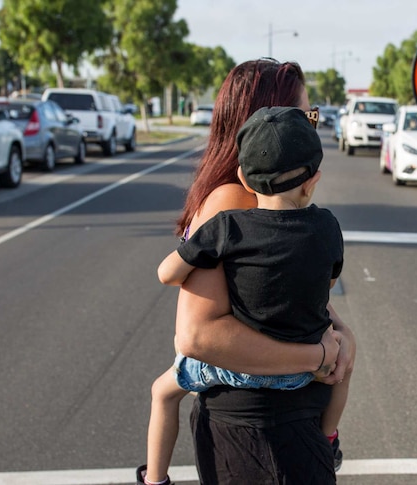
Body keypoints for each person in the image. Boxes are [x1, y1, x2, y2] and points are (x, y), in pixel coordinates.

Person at [137, 58, 355, 485]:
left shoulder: (250, 203)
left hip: (270, 425)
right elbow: (197, 336)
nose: (312, 126)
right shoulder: (234, 204)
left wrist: (342, 333)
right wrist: (321, 354)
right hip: (261, 433)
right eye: (305, 116)